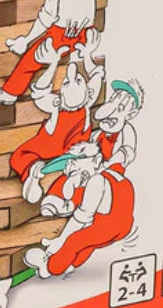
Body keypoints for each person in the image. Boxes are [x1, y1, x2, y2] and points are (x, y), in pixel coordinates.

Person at [7, 32, 105, 204]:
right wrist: (52, 64)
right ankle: (34, 173)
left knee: (88, 152)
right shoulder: (58, 106)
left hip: (73, 151)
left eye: (78, 81)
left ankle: (71, 179)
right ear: (60, 97)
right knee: (20, 157)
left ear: (87, 92)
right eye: (66, 83)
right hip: (45, 150)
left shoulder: (86, 102)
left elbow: (97, 76)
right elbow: (40, 92)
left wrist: (87, 55)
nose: (72, 81)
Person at [24, 141, 135, 278]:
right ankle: (72, 264)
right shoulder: (111, 174)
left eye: (77, 162)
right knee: (88, 241)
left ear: (96, 160)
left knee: (75, 241)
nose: (72, 167)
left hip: (108, 228)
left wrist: (60, 242)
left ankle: (51, 267)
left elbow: (80, 219)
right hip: (123, 224)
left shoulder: (96, 180)